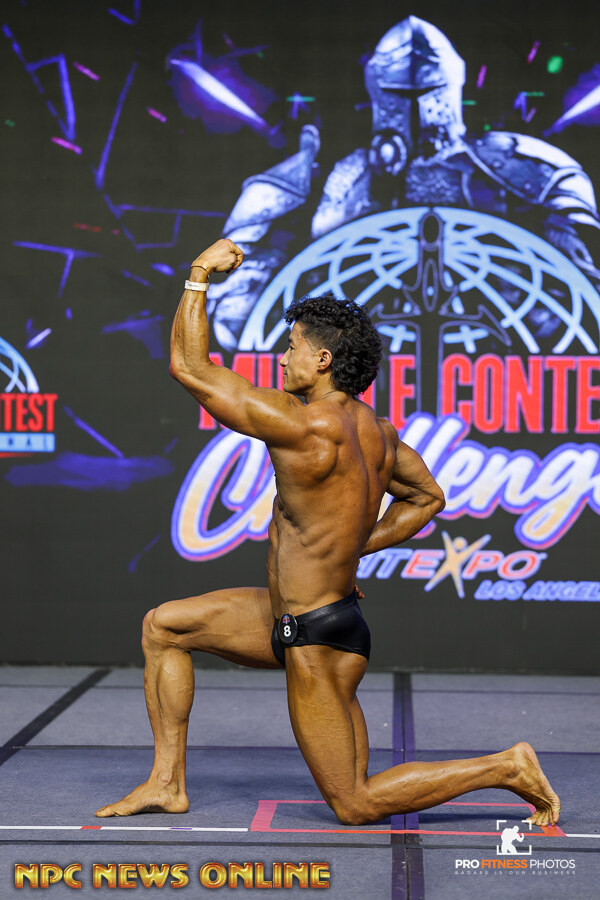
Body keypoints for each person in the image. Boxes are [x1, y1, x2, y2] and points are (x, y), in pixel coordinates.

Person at [96, 238, 560, 827]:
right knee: (165, 626)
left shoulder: (301, 425)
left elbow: (191, 368)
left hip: (315, 638)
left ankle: (506, 766)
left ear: (321, 360)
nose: (280, 359)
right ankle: (166, 783)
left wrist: (198, 276)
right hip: (306, 617)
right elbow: (427, 498)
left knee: (354, 801)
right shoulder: (379, 433)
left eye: (291, 347)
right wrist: (353, 548)